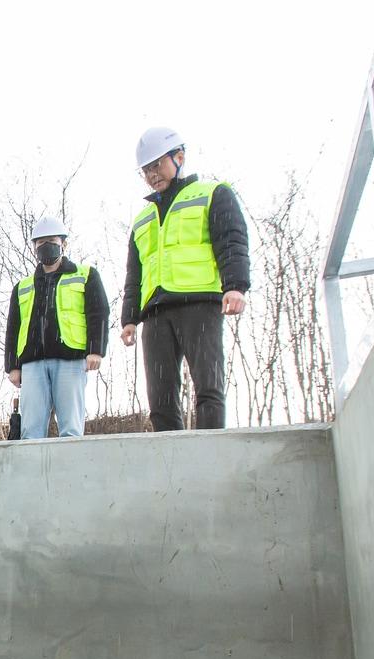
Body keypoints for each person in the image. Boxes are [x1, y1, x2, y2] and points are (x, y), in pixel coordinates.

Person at [120, 127, 250, 431]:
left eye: (157, 165)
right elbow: (134, 274)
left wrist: (235, 286)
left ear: (179, 157)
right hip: (154, 314)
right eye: (146, 169)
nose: (152, 174)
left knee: (208, 388)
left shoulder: (212, 194)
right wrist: (129, 318)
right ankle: (173, 470)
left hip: (199, 304)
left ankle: (210, 460)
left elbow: (231, 240)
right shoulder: (142, 218)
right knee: (160, 401)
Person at [4, 216, 109, 438]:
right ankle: (32, 472)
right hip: (32, 363)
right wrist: (12, 366)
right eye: (40, 243)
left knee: (71, 427)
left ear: (63, 243)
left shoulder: (85, 275)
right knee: (30, 430)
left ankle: (69, 471)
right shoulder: (23, 286)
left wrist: (96, 349)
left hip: (70, 360)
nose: (45, 247)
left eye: (51, 240)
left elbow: (98, 312)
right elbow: (13, 327)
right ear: (34, 248)